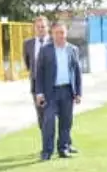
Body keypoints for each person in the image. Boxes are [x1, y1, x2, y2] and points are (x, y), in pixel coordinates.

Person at [34, 22, 83, 160]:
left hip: (67, 91)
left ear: (66, 33)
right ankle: (47, 151)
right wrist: (39, 93)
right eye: (56, 33)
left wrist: (78, 92)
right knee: (48, 121)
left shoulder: (73, 49)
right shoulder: (45, 50)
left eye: (62, 32)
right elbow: (39, 73)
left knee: (66, 122)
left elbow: (77, 73)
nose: (60, 36)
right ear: (52, 34)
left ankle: (64, 148)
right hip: (51, 92)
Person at [24, 15, 49, 130]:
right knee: (41, 115)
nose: (40, 29)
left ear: (47, 28)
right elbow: (28, 63)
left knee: (53, 114)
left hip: (52, 83)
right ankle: (46, 145)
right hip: (36, 84)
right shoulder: (28, 44)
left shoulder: (54, 42)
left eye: (43, 27)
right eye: (38, 27)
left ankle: (62, 143)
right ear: (34, 28)